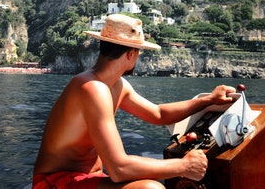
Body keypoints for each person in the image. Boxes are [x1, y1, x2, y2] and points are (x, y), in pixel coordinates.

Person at [33, 14, 237, 189]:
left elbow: (158, 114)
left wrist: (209, 100)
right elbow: (119, 169)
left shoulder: (115, 85)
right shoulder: (93, 88)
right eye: (138, 52)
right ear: (131, 53)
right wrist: (183, 166)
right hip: (55, 183)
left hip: (89, 180)